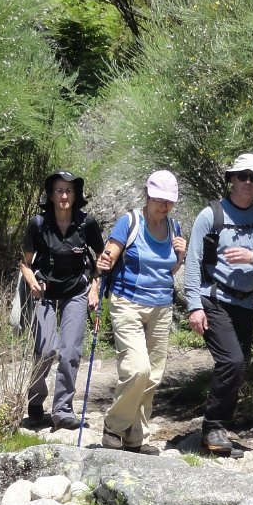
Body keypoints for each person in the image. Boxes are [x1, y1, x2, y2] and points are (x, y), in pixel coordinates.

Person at [182, 152, 253, 456]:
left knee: (238, 367)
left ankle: (218, 430)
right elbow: (192, 261)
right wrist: (194, 306)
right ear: (232, 179)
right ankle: (213, 427)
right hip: (214, 298)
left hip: (245, 303)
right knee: (232, 361)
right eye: (243, 176)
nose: (248, 182)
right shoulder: (210, 215)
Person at [94, 170, 188, 455]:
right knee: (137, 369)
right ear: (148, 195)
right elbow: (109, 255)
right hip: (128, 303)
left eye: (169, 201)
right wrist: (103, 263)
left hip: (161, 306)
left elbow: (171, 269)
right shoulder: (130, 221)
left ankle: (136, 437)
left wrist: (181, 255)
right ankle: (114, 426)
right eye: (159, 199)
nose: (164, 205)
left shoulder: (174, 228)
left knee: (153, 375)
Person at [20, 169, 105, 430]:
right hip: (45, 293)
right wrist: (32, 282)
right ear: (51, 195)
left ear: (76, 195)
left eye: (69, 191)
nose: (64, 196)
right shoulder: (38, 224)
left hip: (76, 292)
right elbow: (25, 263)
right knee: (46, 350)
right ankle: (35, 398)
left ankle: (62, 409)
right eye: (59, 190)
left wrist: (94, 288)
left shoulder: (86, 223)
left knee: (70, 352)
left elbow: (102, 260)